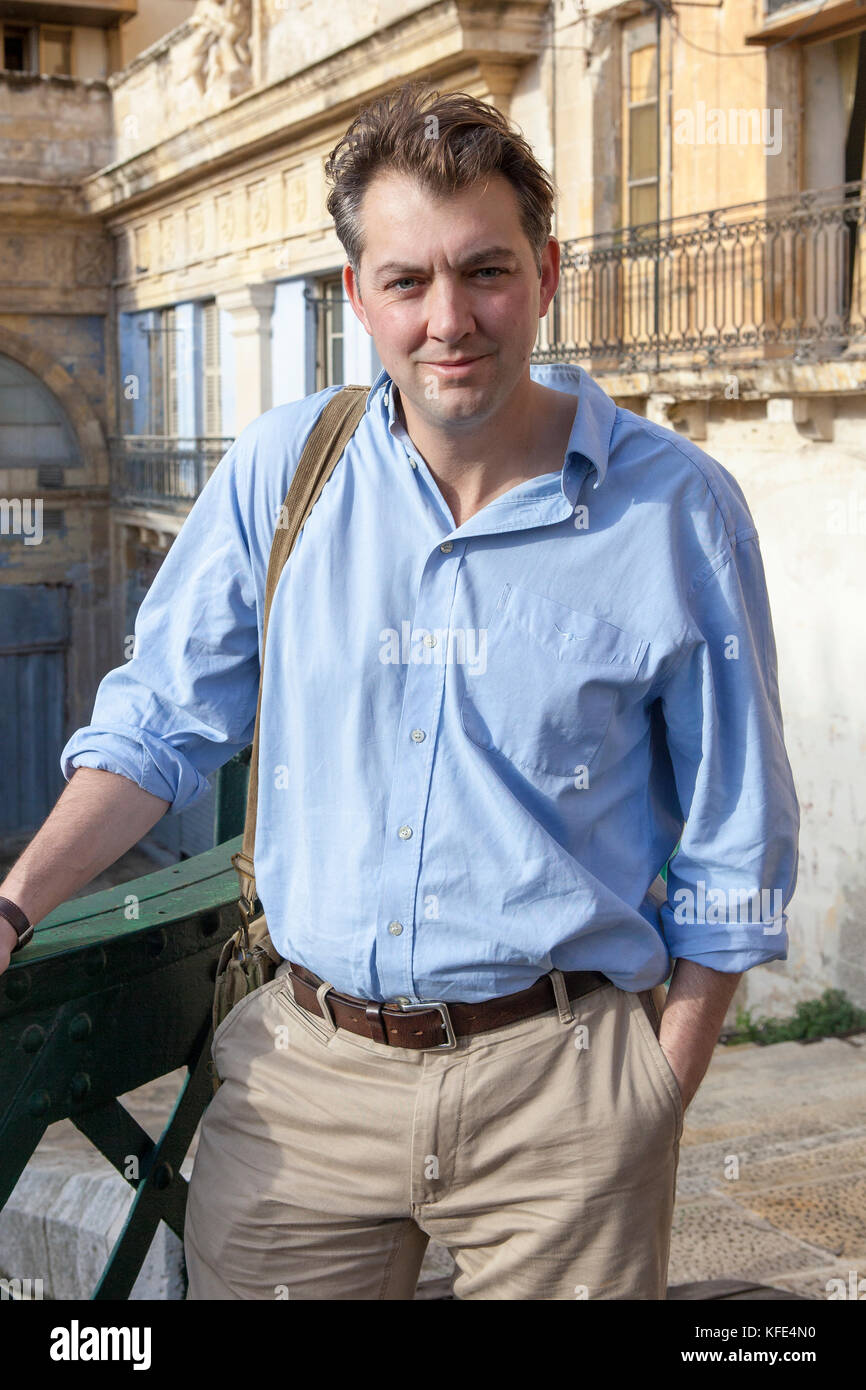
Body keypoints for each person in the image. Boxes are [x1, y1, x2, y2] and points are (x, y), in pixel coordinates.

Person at [0, 81, 800, 1300]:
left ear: (543, 271)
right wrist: (14, 908)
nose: (449, 320)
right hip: (304, 1082)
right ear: (354, 296)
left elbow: (737, 831)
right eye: (406, 282)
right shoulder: (286, 468)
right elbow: (161, 722)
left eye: (483, 271)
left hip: (563, 1087)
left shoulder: (674, 509)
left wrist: (648, 1090)